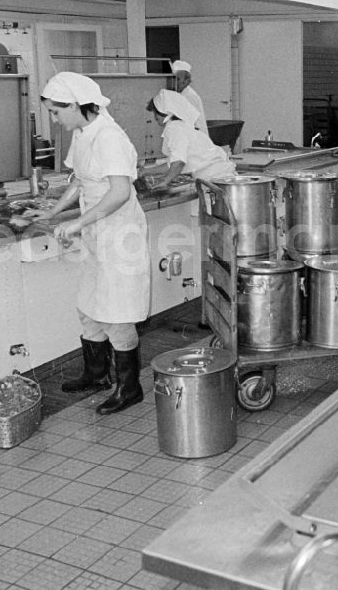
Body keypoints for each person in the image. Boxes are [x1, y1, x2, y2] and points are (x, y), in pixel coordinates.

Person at [25, 71, 151, 416]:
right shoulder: (82, 134)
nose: (54, 119)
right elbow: (80, 182)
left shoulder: (109, 137)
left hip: (120, 234)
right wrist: (54, 211)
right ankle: (96, 374)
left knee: (117, 313)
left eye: (55, 112)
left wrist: (77, 222)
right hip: (99, 233)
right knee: (89, 305)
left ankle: (130, 388)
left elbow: (121, 192)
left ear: (76, 105)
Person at [139, 89, 236, 189]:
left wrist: (165, 181)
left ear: (165, 112)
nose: (155, 116)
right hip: (217, 177)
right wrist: (146, 171)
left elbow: (178, 162)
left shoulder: (174, 128)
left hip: (214, 179)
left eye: (156, 112)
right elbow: (172, 164)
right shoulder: (181, 126)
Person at [171, 59, 209, 137]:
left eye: (178, 79)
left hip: (196, 137)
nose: (174, 82)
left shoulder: (189, 96)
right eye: (173, 79)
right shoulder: (178, 93)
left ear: (187, 81)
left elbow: (187, 122)